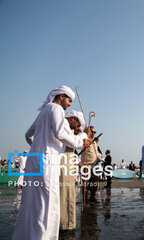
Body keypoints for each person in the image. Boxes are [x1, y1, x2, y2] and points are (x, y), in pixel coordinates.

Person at [12, 85, 91, 240]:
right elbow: (60, 133)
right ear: (61, 96)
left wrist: (39, 146)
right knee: (46, 204)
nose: (69, 104)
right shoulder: (56, 109)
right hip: (48, 162)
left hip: (36, 161)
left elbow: (29, 135)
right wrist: (81, 140)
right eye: (69, 100)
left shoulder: (44, 111)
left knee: (32, 203)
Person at [59, 110, 85, 232]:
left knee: (69, 195)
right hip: (63, 166)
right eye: (78, 125)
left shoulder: (66, 129)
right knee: (64, 195)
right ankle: (64, 225)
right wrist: (84, 135)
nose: (78, 128)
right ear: (73, 119)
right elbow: (74, 142)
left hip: (68, 167)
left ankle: (67, 223)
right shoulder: (62, 126)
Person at [81, 125, 100, 203]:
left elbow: (96, 152)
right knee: (85, 183)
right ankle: (85, 199)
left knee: (95, 182)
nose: (94, 133)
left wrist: (100, 156)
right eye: (93, 132)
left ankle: (92, 197)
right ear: (89, 132)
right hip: (86, 164)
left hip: (94, 165)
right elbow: (81, 148)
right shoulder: (84, 140)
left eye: (95, 132)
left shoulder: (95, 142)